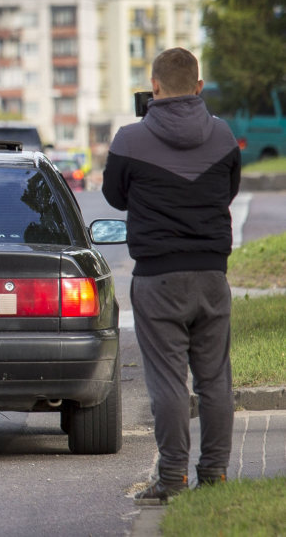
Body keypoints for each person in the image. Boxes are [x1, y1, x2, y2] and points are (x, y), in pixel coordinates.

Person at [102, 47, 241, 503]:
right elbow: (229, 190)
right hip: (211, 275)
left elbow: (115, 197)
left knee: (167, 381)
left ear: (154, 88)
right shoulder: (223, 137)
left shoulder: (128, 140)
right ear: (199, 87)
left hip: (159, 278)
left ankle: (172, 478)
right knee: (215, 379)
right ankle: (216, 474)